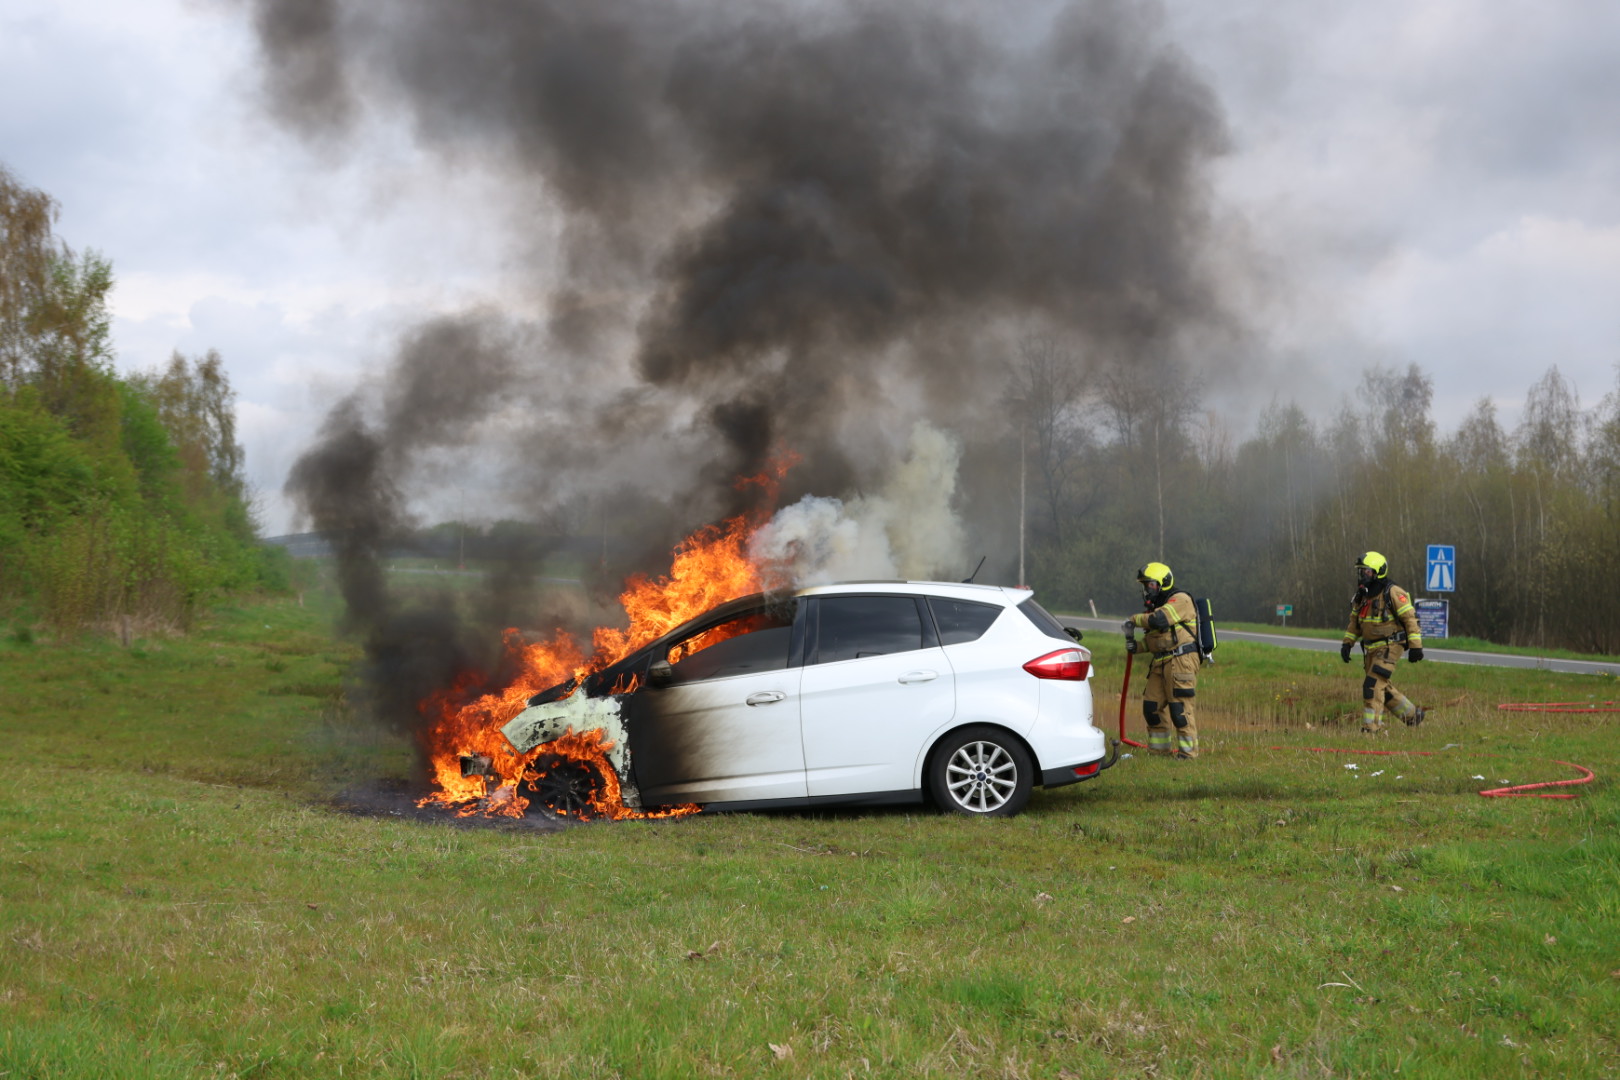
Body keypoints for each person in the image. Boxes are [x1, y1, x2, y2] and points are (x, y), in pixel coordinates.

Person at [1122, 562, 1201, 758]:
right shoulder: (1158, 606)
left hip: (1181, 660)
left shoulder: (1180, 600)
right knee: (1151, 707)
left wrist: (1134, 619)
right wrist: (1138, 647)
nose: (1147, 590)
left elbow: (1159, 620)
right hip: (1160, 661)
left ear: (1164, 583)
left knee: (1179, 709)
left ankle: (1188, 755)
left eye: (1150, 585)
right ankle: (1159, 753)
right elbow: (1156, 641)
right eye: (1145, 585)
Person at [1340, 551, 1425, 732]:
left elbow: (1411, 619)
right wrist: (1347, 643)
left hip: (1390, 647)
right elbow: (1354, 622)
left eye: (1367, 572)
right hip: (1370, 650)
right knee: (1382, 688)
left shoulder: (1393, 592)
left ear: (1379, 572)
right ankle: (1412, 716)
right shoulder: (1362, 596)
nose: (1363, 575)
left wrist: (1416, 647)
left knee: (1372, 685)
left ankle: (1371, 727)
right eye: (1362, 571)